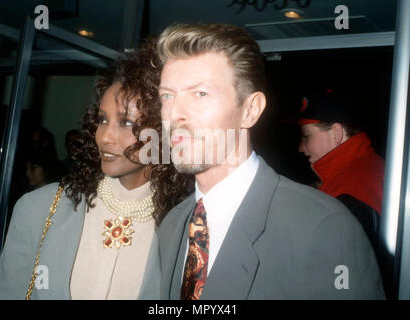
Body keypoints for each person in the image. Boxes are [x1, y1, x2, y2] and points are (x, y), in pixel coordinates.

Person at [146, 23, 385, 299]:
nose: (174, 113)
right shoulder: (173, 225)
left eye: (200, 93)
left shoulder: (325, 227)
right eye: (167, 96)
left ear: (250, 110)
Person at [0, 38, 193, 300]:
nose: (104, 136)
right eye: (102, 119)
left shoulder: (190, 226)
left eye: (126, 122)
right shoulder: (38, 208)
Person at [295, 90, 384, 251]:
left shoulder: (346, 192)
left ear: (336, 133)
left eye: (307, 136)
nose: (301, 147)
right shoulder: (370, 167)